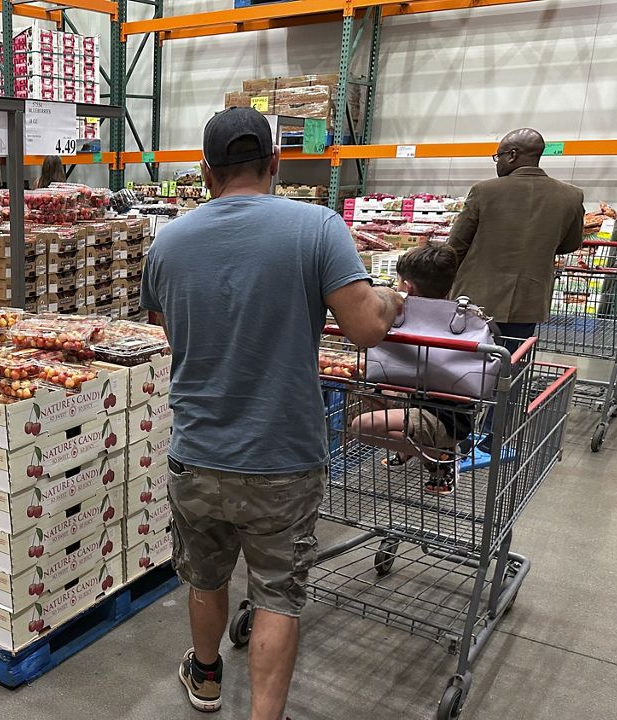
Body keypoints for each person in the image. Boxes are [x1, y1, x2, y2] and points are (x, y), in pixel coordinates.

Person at [140, 107, 403, 720]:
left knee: (205, 576)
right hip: (283, 454)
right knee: (278, 596)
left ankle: (205, 677)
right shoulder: (317, 228)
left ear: (205, 173)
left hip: (198, 449)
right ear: (276, 164)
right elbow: (365, 328)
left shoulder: (169, 241)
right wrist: (392, 298)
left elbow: (163, 326)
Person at [448, 128, 584, 452]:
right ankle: (494, 439)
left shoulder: (484, 191)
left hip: (476, 300)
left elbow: (456, 245)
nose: (496, 163)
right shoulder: (570, 195)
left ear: (511, 155)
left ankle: (459, 434)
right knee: (513, 367)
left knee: (467, 366)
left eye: (497, 156)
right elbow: (571, 243)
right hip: (528, 298)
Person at [349, 244, 473, 495]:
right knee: (364, 389)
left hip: (445, 415)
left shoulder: (406, 319)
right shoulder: (460, 319)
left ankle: (440, 458)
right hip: (423, 400)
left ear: (407, 287)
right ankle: (410, 448)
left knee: (362, 426)